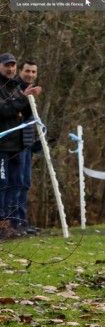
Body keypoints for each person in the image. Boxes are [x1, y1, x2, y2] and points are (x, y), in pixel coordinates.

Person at [0, 52, 41, 239]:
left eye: (12, 65)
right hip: (3, 145)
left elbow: (24, 116)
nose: (10, 69)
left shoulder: (15, 87)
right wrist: (24, 98)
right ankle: (4, 223)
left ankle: (13, 223)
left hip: (17, 146)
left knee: (17, 184)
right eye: (6, 65)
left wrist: (28, 99)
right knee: (3, 185)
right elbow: (5, 110)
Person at [13, 60, 42, 234]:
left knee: (25, 183)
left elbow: (31, 119)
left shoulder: (33, 91)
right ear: (20, 72)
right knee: (16, 184)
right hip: (15, 145)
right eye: (27, 71)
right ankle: (14, 222)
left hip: (28, 143)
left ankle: (23, 221)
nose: (30, 75)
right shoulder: (15, 89)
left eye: (33, 72)